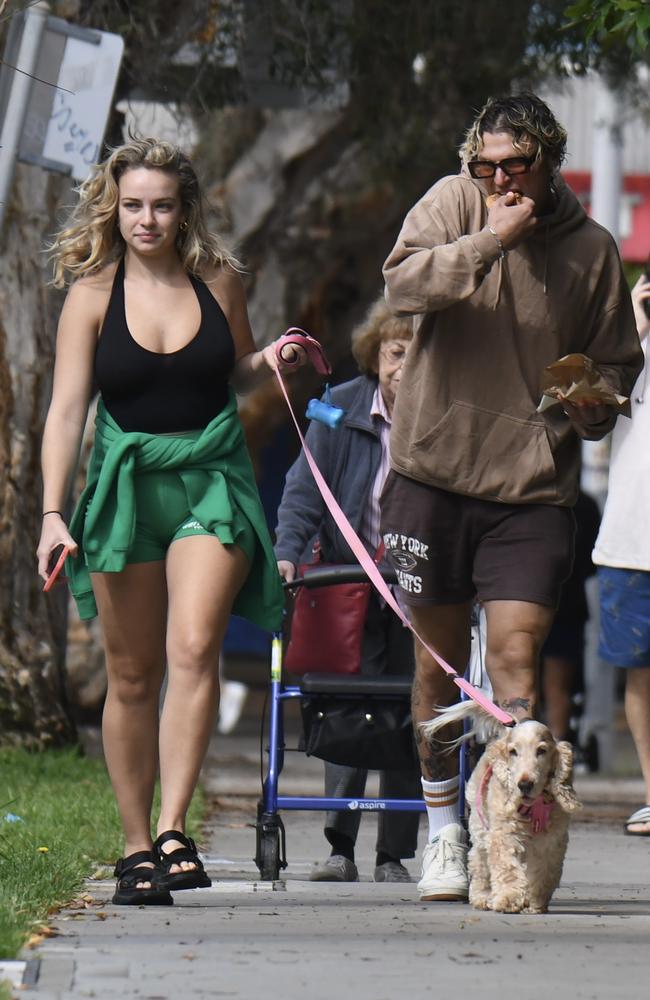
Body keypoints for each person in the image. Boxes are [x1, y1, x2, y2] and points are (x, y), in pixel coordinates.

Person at [380, 92, 643, 902]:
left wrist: (594, 405)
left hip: (530, 487)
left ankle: (509, 837)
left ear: (550, 161)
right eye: (485, 162)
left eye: (515, 165)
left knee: (516, 663)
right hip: (433, 473)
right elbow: (403, 287)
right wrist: (489, 238)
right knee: (437, 670)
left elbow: (615, 364)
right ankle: (445, 833)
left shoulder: (591, 248)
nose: (498, 176)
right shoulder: (455, 201)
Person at [36, 138, 304, 906]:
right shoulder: (91, 295)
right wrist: (53, 514)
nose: (146, 219)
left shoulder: (218, 281)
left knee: (194, 648)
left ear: (184, 207)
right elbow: (64, 412)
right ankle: (133, 846)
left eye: (160, 205)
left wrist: (275, 359)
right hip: (124, 487)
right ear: (112, 209)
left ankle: (175, 829)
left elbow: (239, 366)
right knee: (130, 674)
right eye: (132, 206)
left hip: (210, 479)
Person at [275, 298, 422, 883]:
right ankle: (340, 846)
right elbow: (304, 490)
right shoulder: (338, 409)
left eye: (418, 355)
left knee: (415, 709)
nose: (404, 368)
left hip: (415, 587)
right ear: (375, 354)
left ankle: (395, 853)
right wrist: (288, 553)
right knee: (345, 707)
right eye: (395, 353)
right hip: (346, 580)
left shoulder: (441, 416)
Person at [592, 272, 650, 836]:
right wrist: (633, 321)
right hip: (630, 542)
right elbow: (591, 410)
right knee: (638, 672)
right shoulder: (632, 350)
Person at [540, 489, 601, 753]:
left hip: (531, 598)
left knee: (522, 680)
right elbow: (593, 562)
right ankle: (556, 762)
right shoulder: (584, 504)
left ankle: (530, 758)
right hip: (569, 605)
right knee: (558, 690)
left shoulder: (532, 497)